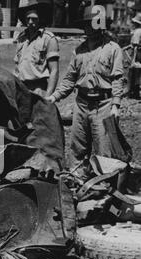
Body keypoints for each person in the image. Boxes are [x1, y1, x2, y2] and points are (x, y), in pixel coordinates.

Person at [46, 4, 124, 174]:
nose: (88, 27)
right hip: (81, 104)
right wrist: (54, 97)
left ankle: (104, 188)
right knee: (77, 147)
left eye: (92, 23)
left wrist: (115, 105)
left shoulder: (113, 49)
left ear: (100, 25)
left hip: (103, 104)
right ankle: (77, 180)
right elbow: (69, 80)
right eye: (86, 23)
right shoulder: (79, 51)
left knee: (104, 150)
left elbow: (118, 79)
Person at [13, 0, 59, 97]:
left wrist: (48, 96)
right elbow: (17, 66)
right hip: (20, 88)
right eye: (28, 18)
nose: (30, 22)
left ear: (40, 19)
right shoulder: (21, 38)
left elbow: (54, 70)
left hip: (38, 89)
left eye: (34, 19)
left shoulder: (48, 39)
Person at [128, 12, 141, 99]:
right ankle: (135, 91)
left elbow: (135, 46)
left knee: (135, 72)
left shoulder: (137, 32)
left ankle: (134, 92)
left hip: (138, 54)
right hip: (139, 52)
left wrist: (133, 60)